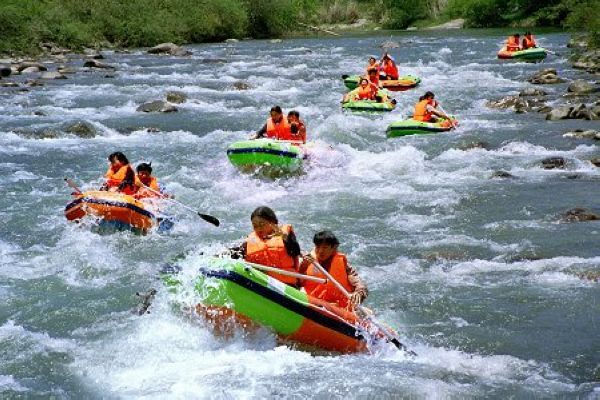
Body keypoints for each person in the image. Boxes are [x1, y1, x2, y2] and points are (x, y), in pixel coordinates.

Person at [229, 206, 301, 287]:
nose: (258, 229)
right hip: (262, 283)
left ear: (272, 222)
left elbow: (296, 251)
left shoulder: (285, 235)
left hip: (286, 285)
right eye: (255, 226)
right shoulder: (251, 241)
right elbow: (235, 254)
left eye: (262, 224)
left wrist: (285, 237)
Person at [299, 230, 368, 309]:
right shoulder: (307, 260)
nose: (320, 251)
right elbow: (297, 281)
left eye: (325, 247)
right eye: (318, 247)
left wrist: (359, 293)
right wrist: (303, 266)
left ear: (333, 248)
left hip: (337, 307)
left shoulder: (344, 265)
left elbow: (360, 284)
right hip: (314, 301)